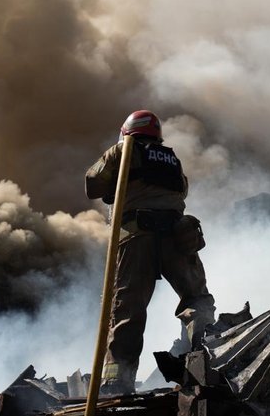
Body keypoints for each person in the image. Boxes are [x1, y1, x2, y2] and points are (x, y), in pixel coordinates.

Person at [86, 109, 216, 396]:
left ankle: (116, 382)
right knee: (196, 298)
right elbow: (181, 191)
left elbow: (92, 184)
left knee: (127, 311)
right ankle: (206, 355)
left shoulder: (122, 150)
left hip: (137, 237)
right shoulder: (171, 159)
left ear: (127, 132)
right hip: (176, 235)